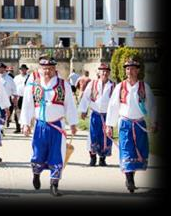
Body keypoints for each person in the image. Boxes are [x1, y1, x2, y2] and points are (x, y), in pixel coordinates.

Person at [20, 55, 78, 197]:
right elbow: (27, 105)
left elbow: (70, 104)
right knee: (38, 153)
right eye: (45, 69)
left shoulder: (63, 84)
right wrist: (25, 123)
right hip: (40, 125)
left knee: (57, 155)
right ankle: (36, 174)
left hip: (57, 126)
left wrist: (73, 123)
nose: (47, 72)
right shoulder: (33, 84)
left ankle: (54, 184)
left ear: (55, 69)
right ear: (40, 69)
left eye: (50, 69)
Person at [106, 57, 158, 193]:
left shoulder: (144, 87)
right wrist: (109, 125)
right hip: (125, 124)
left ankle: (131, 176)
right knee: (126, 150)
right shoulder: (120, 87)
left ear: (138, 70)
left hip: (139, 124)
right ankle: (129, 180)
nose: (130, 71)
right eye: (128, 68)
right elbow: (113, 106)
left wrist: (153, 121)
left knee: (138, 152)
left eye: (133, 68)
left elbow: (151, 105)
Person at [78, 63, 115, 167]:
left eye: (107, 71)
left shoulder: (113, 86)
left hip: (107, 116)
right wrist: (83, 110)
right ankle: (93, 159)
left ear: (109, 73)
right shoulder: (93, 84)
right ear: (99, 72)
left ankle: (102, 159)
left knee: (106, 137)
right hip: (95, 115)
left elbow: (115, 102)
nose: (104, 73)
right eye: (102, 71)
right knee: (93, 136)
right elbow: (86, 97)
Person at [0, 62, 17, 132]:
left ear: (4, 69)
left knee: (4, 114)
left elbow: (14, 89)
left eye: (2, 68)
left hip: (6, 99)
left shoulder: (9, 78)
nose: (1, 70)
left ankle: (1, 128)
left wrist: (14, 98)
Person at [13, 64, 30, 133]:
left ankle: (26, 127)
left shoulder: (29, 77)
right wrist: (13, 97)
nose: (22, 70)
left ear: (26, 70)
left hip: (26, 97)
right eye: (21, 69)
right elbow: (13, 87)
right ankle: (18, 128)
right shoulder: (16, 78)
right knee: (17, 112)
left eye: (24, 69)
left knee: (26, 112)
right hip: (18, 96)